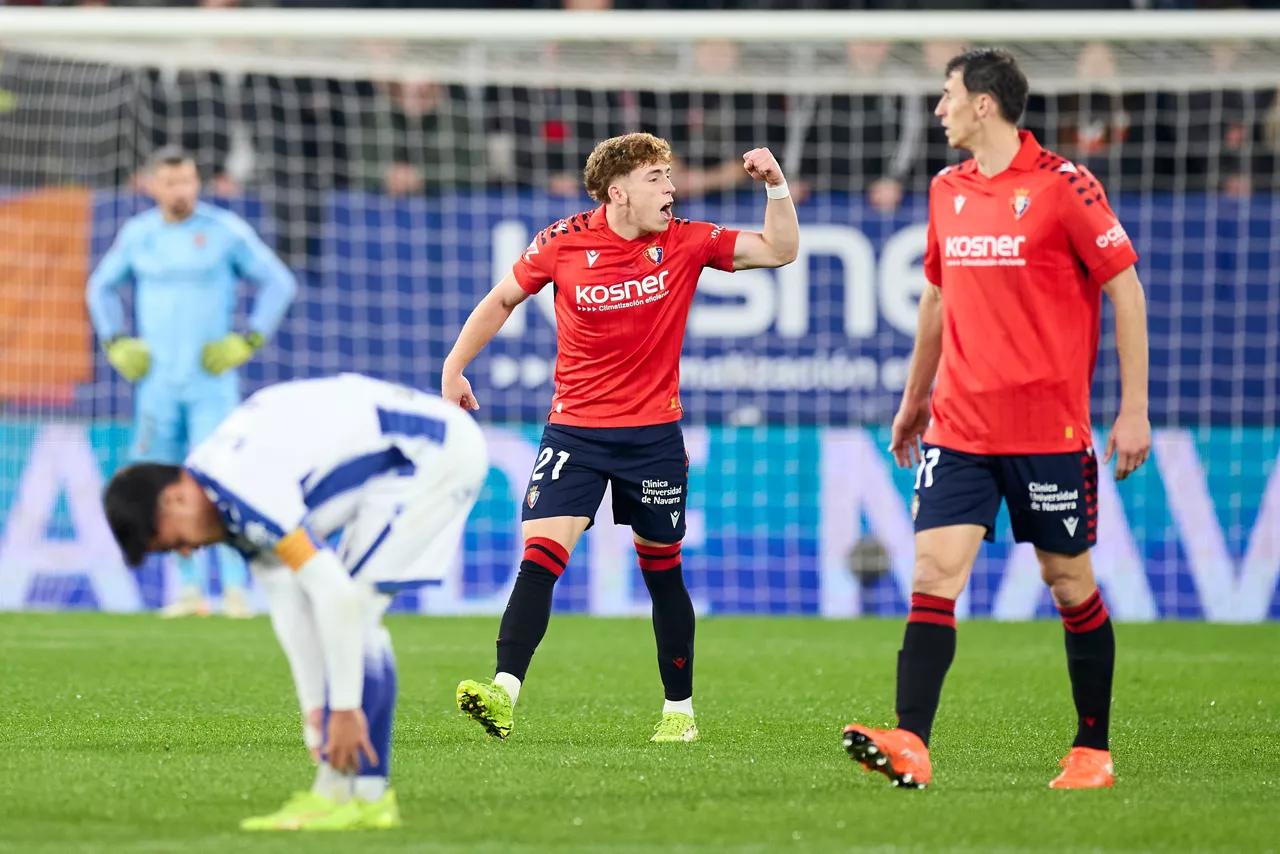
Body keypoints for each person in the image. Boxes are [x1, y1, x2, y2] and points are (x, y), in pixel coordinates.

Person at [841, 48, 1151, 791]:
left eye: (948, 95)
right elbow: (938, 301)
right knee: (933, 572)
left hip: (1049, 432)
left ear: (985, 104)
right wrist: (915, 399)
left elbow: (1126, 289)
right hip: (959, 428)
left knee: (1067, 582)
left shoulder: (1064, 186)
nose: (939, 108)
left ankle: (1091, 751)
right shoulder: (945, 189)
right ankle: (911, 742)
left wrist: (1133, 409)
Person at [442, 131, 799, 743]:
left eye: (669, 175)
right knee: (540, 559)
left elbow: (779, 250)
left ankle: (679, 713)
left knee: (662, 571)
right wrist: (454, 367)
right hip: (574, 432)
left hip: (653, 438)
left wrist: (777, 187)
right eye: (656, 177)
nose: (671, 187)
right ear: (618, 192)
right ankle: (503, 691)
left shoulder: (687, 241)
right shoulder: (562, 241)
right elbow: (502, 299)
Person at [101, 373, 490, 831]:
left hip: (432, 456)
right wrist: (315, 710)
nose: (186, 552)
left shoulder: (241, 486)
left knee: (357, 609)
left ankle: (350, 795)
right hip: (408, 453)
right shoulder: (221, 497)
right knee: (347, 610)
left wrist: (343, 709)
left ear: (176, 498)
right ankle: (359, 796)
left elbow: (335, 596)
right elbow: (288, 603)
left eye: (172, 542)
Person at [86, 146, 297, 619]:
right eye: (170, 183)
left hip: (210, 382)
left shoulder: (224, 231)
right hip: (157, 384)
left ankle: (237, 591)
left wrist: (248, 338)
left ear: (197, 182)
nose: (181, 191)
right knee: (162, 485)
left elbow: (279, 282)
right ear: (152, 185)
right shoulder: (139, 235)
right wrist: (116, 340)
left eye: (188, 182)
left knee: (220, 480)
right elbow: (99, 286)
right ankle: (187, 592)